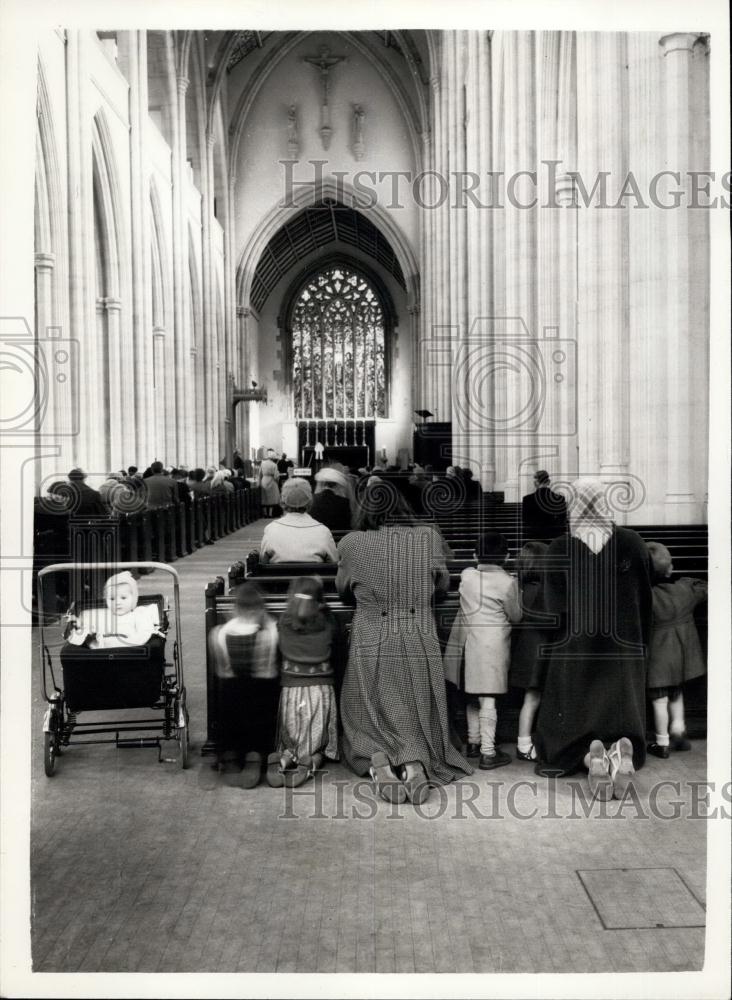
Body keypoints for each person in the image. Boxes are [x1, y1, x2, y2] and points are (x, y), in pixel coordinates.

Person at [337, 478, 472, 805]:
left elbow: (344, 589)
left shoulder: (352, 543)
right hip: (416, 634)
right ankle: (414, 763)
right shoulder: (427, 538)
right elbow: (441, 586)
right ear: (402, 507)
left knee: (366, 709)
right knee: (414, 710)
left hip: (373, 634)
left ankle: (378, 759)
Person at [533, 477, 652, 797]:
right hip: (624, 645)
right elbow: (644, 600)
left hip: (576, 646)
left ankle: (591, 757)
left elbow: (552, 611)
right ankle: (621, 751)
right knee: (622, 710)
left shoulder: (561, 547)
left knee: (562, 731)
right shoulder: (633, 542)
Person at [444, 531, 522, 770]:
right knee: (488, 698)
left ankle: (474, 742)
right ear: (507, 556)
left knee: (472, 694)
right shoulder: (508, 582)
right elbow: (516, 616)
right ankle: (488, 752)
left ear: (476, 554)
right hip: (492, 647)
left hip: (467, 646)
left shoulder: (467, 576)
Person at [205, 582, 279, 789]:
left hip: (232, 692)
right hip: (261, 691)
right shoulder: (270, 631)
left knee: (230, 714)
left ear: (235, 608)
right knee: (261, 716)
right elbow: (269, 671)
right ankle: (255, 755)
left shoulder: (220, 633)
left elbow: (222, 671)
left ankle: (230, 754)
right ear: (261, 609)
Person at [268, 576, 340, 788]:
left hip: (292, 689)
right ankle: (312, 760)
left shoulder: (283, 622)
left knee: (291, 735)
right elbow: (337, 651)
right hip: (320, 691)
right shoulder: (329, 622)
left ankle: (284, 759)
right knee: (316, 740)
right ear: (319, 601)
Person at [645, 541, 708, 759]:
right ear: (670, 568)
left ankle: (662, 743)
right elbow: (704, 587)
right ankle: (679, 729)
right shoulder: (684, 590)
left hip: (658, 659)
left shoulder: (646, 596)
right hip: (682, 656)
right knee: (677, 693)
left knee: (659, 700)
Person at [509, 541, 554, 762]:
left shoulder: (520, 587)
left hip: (524, 648)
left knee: (531, 698)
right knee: (534, 698)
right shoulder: (542, 590)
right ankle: (524, 744)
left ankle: (525, 742)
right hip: (539, 649)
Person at [65, 571, 163, 649]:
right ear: (105, 599)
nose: (117, 603)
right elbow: (88, 626)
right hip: (102, 652)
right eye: (112, 599)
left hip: (131, 651)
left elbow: (144, 633)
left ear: (133, 599)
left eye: (123, 598)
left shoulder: (138, 614)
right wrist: (77, 622)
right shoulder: (103, 615)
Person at [260, 478, 337, 564]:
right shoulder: (323, 531)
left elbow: (263, 562)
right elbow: (334, 563)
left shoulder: (271, 529)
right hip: (314, 577)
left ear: (283, 501)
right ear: (310, 501)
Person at [521, 470, 568, 542]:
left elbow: (525, 520)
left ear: (536, 483)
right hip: (554, 538)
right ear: (549, 482)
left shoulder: (527, 499)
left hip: (534, 538)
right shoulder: (560, 499)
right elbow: (562, 520)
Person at [310, 466, 354, 532]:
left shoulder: (312, 499)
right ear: (336, 485)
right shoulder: (344, 502)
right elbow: (347, 524)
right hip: (339, 538)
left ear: (323, 483)